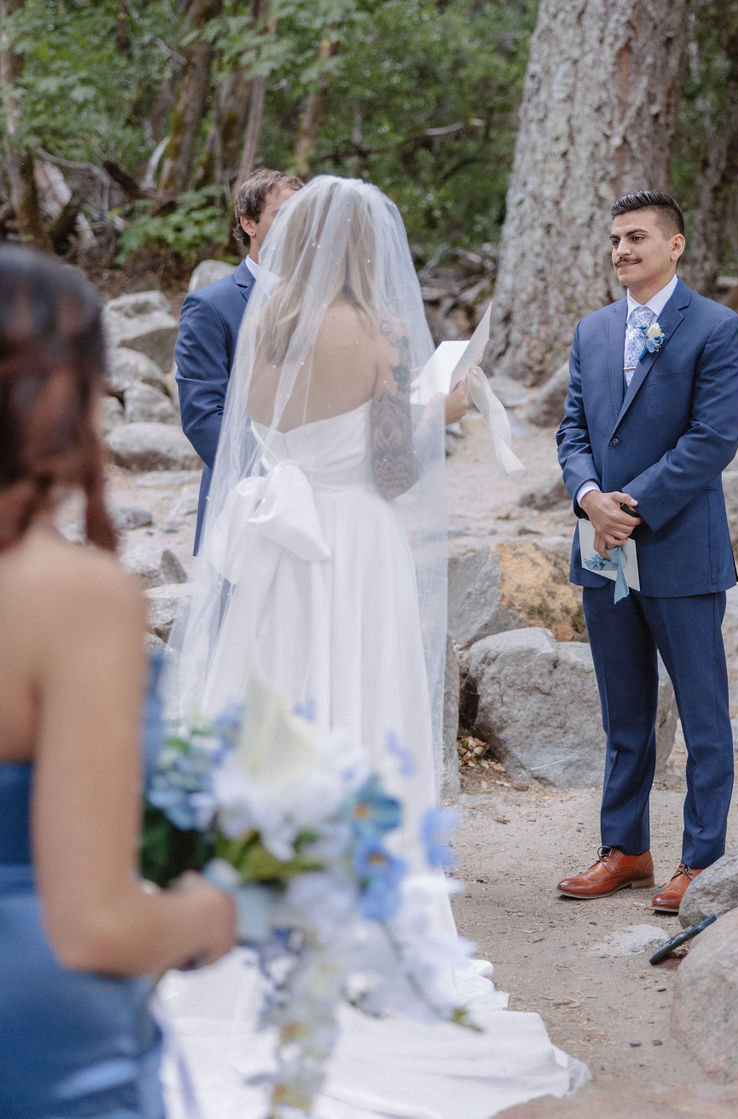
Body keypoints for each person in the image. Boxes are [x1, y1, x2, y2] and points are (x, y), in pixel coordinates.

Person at [162, 176, 586, 1116]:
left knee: (276, 728)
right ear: (367, 250)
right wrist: (439, 402)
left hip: (281, 565)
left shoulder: (270, 325)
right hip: (346, 552)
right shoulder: (369, 333)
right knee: (356, 723)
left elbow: (266, 440)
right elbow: (393, 468)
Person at [0, 247, 236, 1119]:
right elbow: (95, 923)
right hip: (35, 1038)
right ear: (55, 396)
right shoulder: (68, 598)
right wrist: (225, 910)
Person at [555, 189, 738, 913]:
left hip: (677, 549)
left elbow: (712, 439)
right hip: (601, 549)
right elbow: (571, 430)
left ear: (675, 245)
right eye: (614, 240)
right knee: (624, 712)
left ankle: (701, 861)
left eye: (636, 237)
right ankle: (627, 849)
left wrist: (625, 506)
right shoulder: (593, 331)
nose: (621, 251)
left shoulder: (716, 329)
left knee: (703, 715)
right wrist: (587, 499)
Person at [175, 168, 302, 551]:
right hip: (245, 500)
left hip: (321, 499)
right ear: (249, 223)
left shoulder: (327, 303)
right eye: (283, 214)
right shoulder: (211, 306)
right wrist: (270, 484)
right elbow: (202, 415)